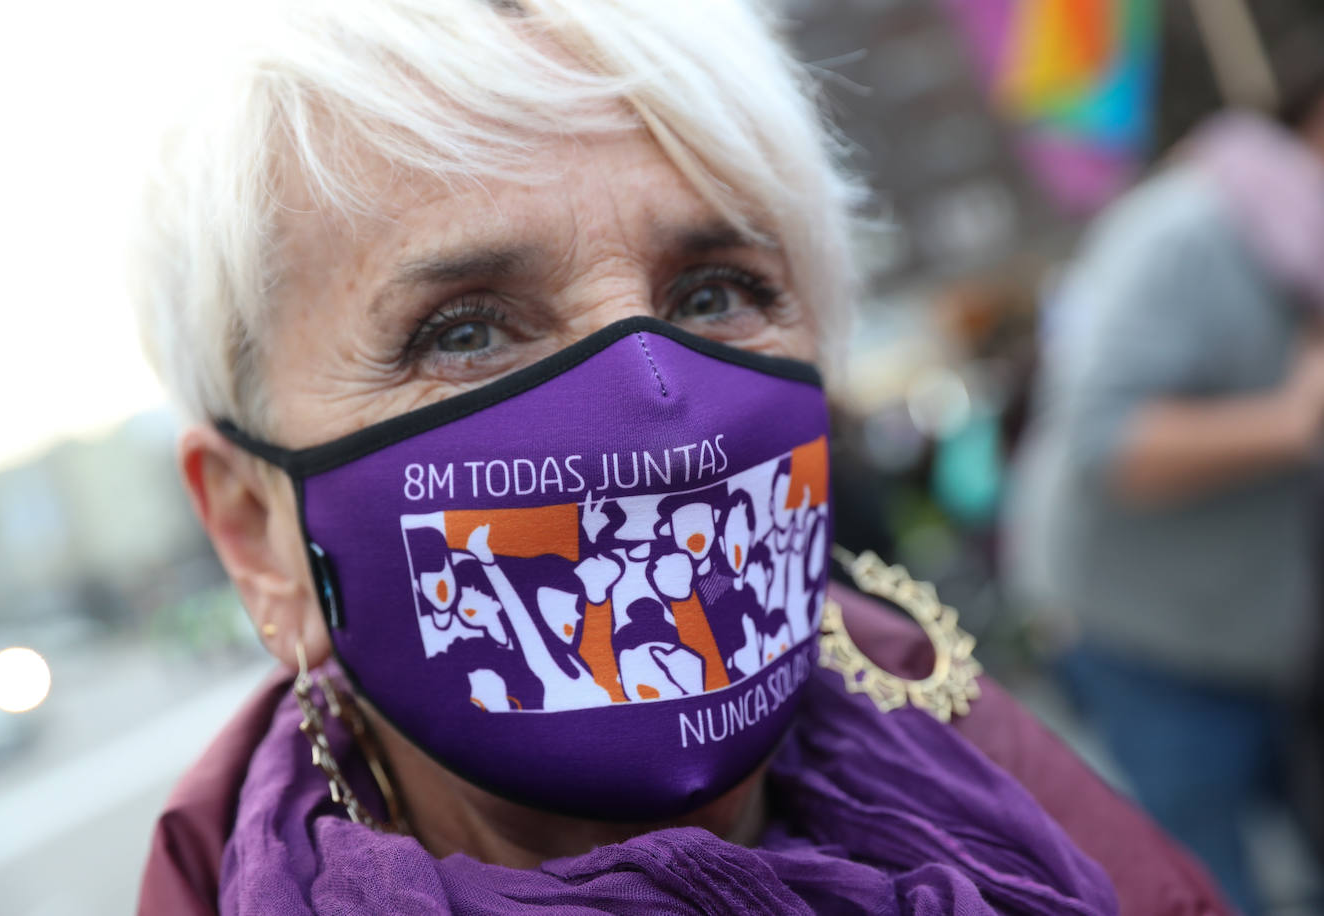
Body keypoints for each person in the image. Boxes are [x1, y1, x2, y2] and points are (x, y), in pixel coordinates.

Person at [133, 2, 1228, 913]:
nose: (658, 404)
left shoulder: (1034, 816)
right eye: (463, 328)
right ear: (252, 529)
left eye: (716, 294)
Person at [1004, 31, 1324, 916]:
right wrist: (1293, 421)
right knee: (1206, 885)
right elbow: (1110, 446)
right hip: (1146, 638)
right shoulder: (1186, 231)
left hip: (1269, 636)